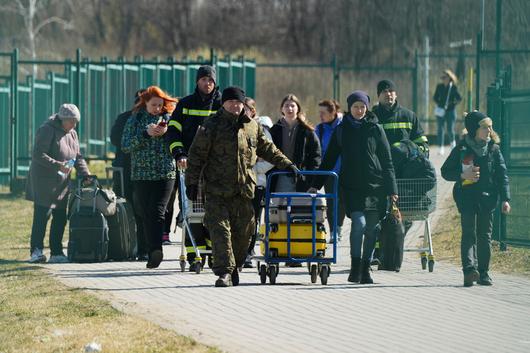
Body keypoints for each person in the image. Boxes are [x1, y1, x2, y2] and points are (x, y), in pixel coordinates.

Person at [185, 86, 296, 287]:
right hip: (216, 190)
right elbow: (196, 156)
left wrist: (287, 164)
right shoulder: (211, 125)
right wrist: (191, 183)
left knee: (244, 233)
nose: (235, 105)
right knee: (220, 231)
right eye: (231, 102)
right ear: (224, 103)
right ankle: (224, 272)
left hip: (244, 190)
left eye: (238, 102)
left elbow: (268, 149)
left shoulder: (252, 126)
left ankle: (235, 266)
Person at [310, 91, 398, 284]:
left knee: (372, 229)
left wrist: (392, 190)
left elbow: (387, 160)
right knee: (359, 224)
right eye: (356, 107)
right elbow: (329, 158)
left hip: (376, 186)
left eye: (362, 107)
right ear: (349, 108)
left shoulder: (376, 128)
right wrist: (315, 185)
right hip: (351, 187)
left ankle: (366, 269)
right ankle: (355, 266)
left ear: (367, 108)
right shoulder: (342, 130)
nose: (359, 110)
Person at [441, 111, 510, 287]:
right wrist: (462, 174)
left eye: (490, 127)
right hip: (466, 198)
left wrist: (505, 199)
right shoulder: (462, 148)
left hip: (488, 198)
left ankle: (484, 273)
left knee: (484, 236)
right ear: (474, 129)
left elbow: (502, 176)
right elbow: (445, 171)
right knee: (469, 234)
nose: (489, 130)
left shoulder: (494, 149)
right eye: (485, 127)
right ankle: (469, 271)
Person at [165, 65, 221, 270]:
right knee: (191, 210)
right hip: (190, 167)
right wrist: (179, 153)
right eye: (204, 79)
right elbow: (173, 131)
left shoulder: (222, 104)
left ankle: (215, 251)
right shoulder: (185, 104)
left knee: (214, 210)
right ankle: (193, 255)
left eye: (211, 80)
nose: (208, 83)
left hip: (216, 168)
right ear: (197, 81)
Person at [121, 86, 177, 269]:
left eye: (160, 105)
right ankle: (150, 249)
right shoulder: (135, 120)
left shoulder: (169, 119)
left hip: (165, 173)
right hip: (141, 174)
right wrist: (146, 134)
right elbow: (125, 145)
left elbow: (178, 141)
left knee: (158, 210)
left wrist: (166, 133)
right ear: (145, 103)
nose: (157, 108)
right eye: (153, 105)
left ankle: (156, 250)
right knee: (145, 212)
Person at [26, 103, 90, 263]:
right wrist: (57, 164)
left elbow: (77, 157)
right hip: (43, 180)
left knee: (60, 217)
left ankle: (57, 252)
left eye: (76, 122)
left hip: (62, 182)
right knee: (42, 215)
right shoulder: (47, 129)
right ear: (62, 119)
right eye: (71, 121)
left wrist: (86, 174)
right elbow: (38, 154)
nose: (74, 125)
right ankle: (36, 251)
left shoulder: (72, 133)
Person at [110, 89, 148, 260]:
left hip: (145, 171)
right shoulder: (125, 117)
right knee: (125, 208)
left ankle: (143, 248)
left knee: (143, 211)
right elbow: (115, 139)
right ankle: (124, 246)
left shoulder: (153, 119)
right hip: (125, 169)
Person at [244, 97, 274, 268]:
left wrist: (252, 168)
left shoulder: (261, 130)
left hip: (257, 183)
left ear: (253, 111)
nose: (242, 111)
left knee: (253, 219)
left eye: (246, 108)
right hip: (235, 183)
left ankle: (249, 252)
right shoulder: (230, 127)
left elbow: (270, 158)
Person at [269, 94, 321, 193]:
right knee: (281, 207)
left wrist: (310, 176)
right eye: (286, 106)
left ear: (298, 108)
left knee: (298, 206)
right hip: (279, 176)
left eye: (293, 106)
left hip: (301, 176)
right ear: (282, 109)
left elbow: (316, 155)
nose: (290, 108)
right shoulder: (274, 130)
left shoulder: (307, 131)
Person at [315, 99, 346, 242]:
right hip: (328, 172)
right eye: (319, 112)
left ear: (333, 112)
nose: (321, 116)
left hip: (345, 171)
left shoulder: (343, 126)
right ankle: (333, 231)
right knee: (331, 202)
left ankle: (339, 227)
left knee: (343, 202)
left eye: (324, 113)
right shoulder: (320, 129)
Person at [372, 79, 429, 155]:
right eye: (384, 91)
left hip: (406, 164)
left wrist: (411, 151)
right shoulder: (372, 118)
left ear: (395, 95)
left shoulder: (409, 116)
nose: (388, 94)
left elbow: (422, 144)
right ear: (378, 96)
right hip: (381, 165)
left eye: (391, 91)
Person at [433, 69, 462, 155]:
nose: (443, 79)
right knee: (440, 129)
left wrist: (452, 104)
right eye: (442, 77)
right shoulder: (439, 86)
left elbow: (459, 98)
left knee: (450, 129)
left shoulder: (453, 87)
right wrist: (440, 104)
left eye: (445, 77)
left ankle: (453, 145)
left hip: (451, 111)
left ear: (449, 78)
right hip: (441, 111)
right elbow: (435, 97)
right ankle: (440, 148)